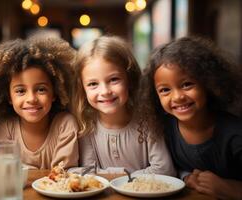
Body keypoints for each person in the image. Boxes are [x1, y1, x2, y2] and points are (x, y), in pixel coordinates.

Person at [140, 36, 242, 199]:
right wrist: (187, 177)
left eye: (187, 84)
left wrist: (228, 188)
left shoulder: (235, 133)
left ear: (209, 83)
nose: (178, 97)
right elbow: (173, 169)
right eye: (165, 90)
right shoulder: (164, 128)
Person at [73, 35, 175, 175]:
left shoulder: (147, 120)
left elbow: (165, 170)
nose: (105, 91)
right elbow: (90, 173)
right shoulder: (87, 125)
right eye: (93, 84)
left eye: (114, 79)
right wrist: (125, 174)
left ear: (130, 79)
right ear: (82, 89)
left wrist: (119, 175)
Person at [0, 37, 78, 169]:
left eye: (41, 89)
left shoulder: (64, 125)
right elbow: (1, 172)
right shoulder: (4, 130)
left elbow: (62, 175)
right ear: (9, 97)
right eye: (21, 91)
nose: (31, 99)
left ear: (55, 93)